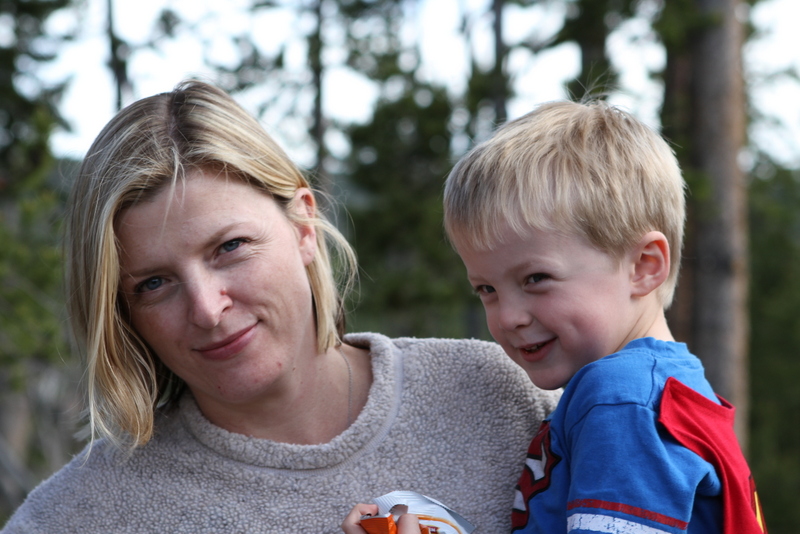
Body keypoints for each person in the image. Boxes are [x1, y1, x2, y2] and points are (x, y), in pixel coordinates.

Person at [0, 81, 560, 533]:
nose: (207, 309)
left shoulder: (502, 398)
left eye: (229, 247)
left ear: (303, 226)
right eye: (154, 283)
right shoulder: (81, 515)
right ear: (121, 311)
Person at [440, 101, 767, 534]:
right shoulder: (663, 390)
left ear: (644, 266)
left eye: (536, 278)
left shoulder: (623, 400)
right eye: (487, 290)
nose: (509, 317)